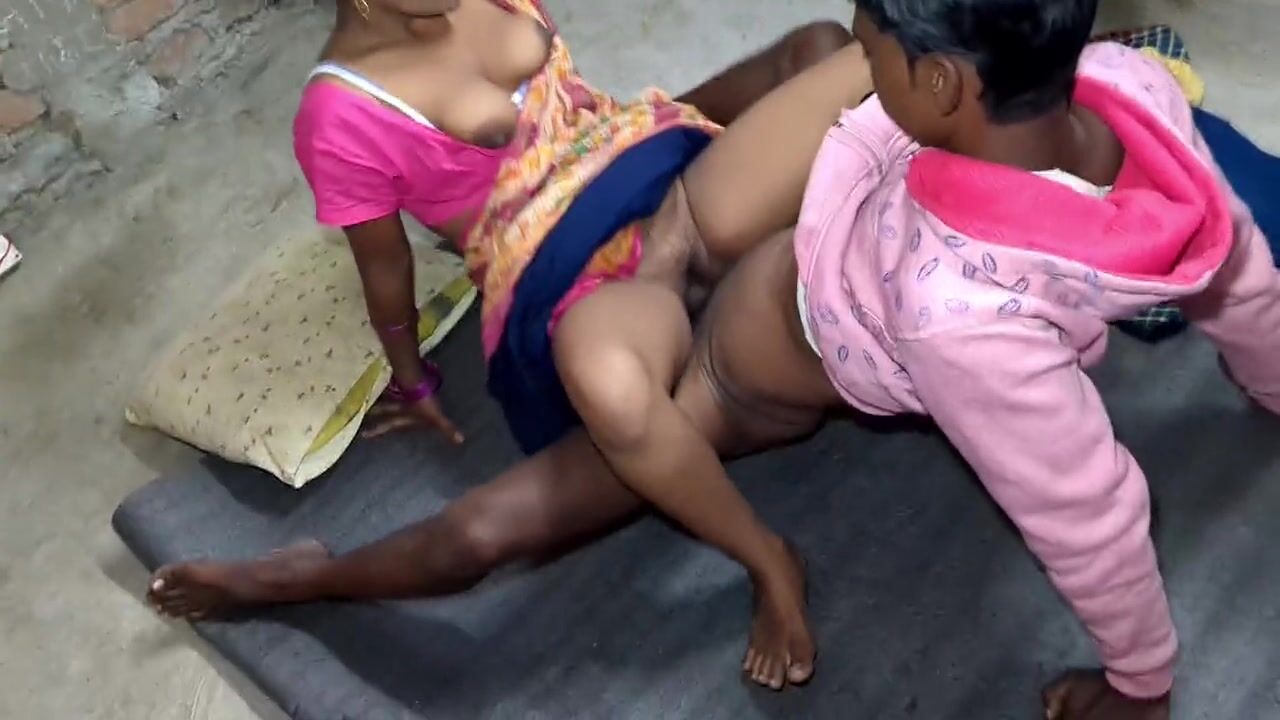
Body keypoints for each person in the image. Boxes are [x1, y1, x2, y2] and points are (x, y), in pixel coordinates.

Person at [148, 0, 875, 690]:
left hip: (649, 164)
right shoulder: (340, 115)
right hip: (566, 272)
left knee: (830, 53)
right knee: (492, 517)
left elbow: (578, 119)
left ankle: (697, 399)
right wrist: (413, 378)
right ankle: (301, 576)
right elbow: (386, 266)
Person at [587, 0, 1280, 716]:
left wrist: (1141, 683)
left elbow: (1086, 513)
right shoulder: (1133, 84)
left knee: (610, 446)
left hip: (753, 375)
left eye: (871, 55)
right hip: (819, 250)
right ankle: (636, 190)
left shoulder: (960, 321)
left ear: (942, 83)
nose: (863, 67)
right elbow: (1237, 265)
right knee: (783, 92)